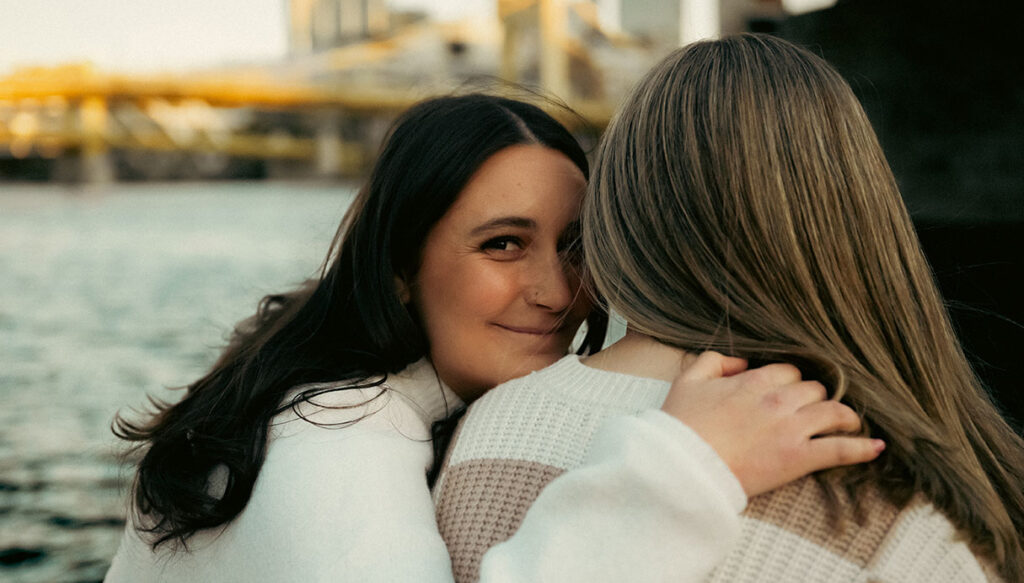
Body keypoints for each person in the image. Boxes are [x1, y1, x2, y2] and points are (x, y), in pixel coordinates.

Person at [105, 93, 881, 582]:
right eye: (503, 244)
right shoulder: (333, 437)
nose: (555, 291)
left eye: (575, 246)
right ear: (402, 266)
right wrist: (685, 466)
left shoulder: (321, 389)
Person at [434, 37, 1024, 582]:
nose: (555, 292)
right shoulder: (892, 498)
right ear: (852, 217)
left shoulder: (482, 429)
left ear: (619, 205)